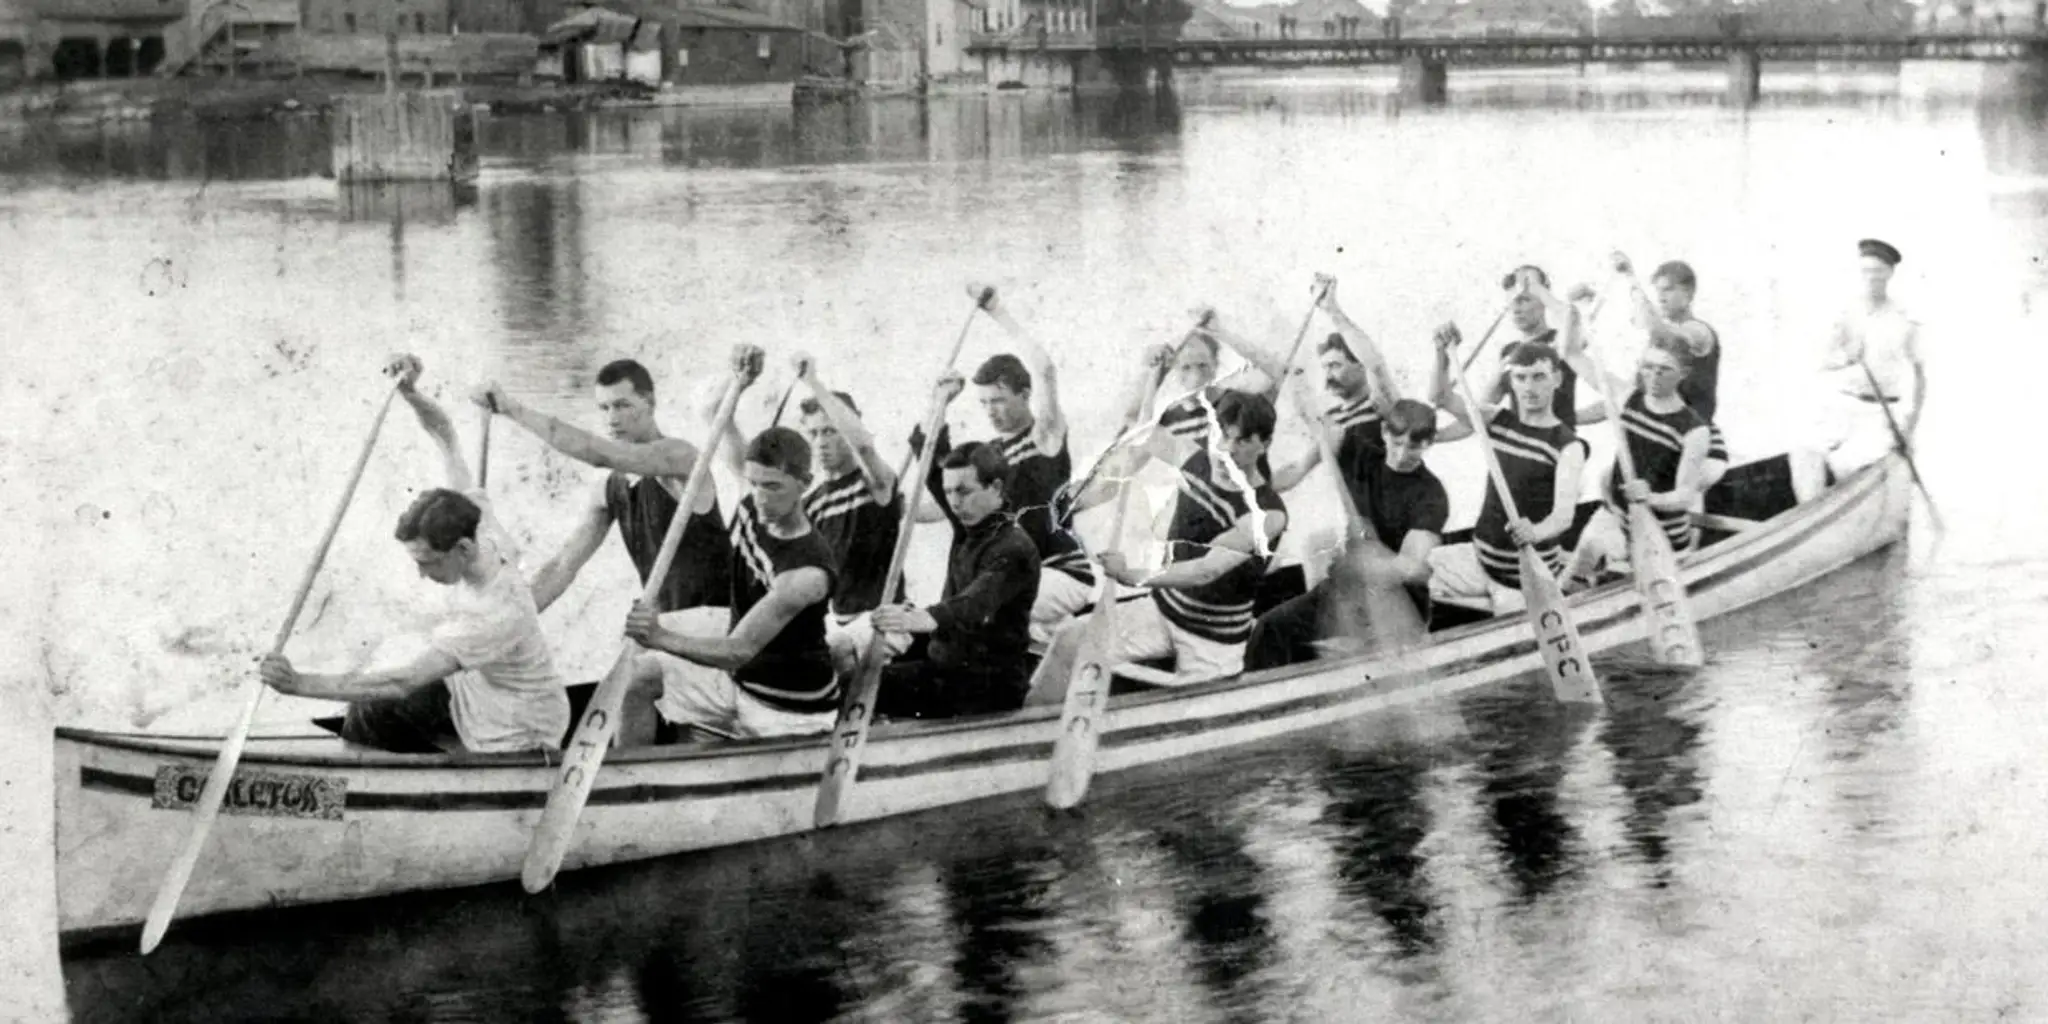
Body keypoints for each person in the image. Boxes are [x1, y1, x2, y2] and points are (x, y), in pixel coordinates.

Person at [259, 355, 569, 755]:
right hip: (480, 690)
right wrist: (410, 392)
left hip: (518, 726)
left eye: (428, 563)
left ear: (462, 549)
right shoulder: (477, 524)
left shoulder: (496, 611)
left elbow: (402, 683)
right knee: (373, 697)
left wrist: (299, 684)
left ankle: (391, 780)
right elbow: (444, 434)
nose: (422, 575)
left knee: (373, 705)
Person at [1030, 390, 1289, 696]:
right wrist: (1154, 377)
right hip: (1162, 610)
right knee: (1072, 638)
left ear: (1265, 444)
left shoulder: (1268, 515)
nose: (1227, 450)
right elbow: (1142, 433)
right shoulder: (1193, 458)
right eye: (1223, 436)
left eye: (1243, 441)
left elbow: (1205, 571)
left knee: (1195, 715)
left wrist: (1132, 574)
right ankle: (1032, 718)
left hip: (1211, 641)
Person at [620, 423, 840, 744]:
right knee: (637, 679)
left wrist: (658, 636)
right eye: (754, 483)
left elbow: (738, 651)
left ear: (805, 484)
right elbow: (728, 435)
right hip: (742, 679)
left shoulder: (805, 574)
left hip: (786, 710)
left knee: (660, 642)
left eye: (773, 487)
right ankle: (631, 772)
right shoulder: (754, 503)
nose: (761, 498)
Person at [474, 356, 733, 618]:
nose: (612, 419)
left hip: (718, 617)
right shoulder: (609, 489)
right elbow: (563, 566)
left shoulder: (681, 457)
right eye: (604, 408)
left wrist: (512, 409)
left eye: (622, 406)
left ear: (650, 403)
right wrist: (509, 619)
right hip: (666, 625)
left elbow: (600, 454)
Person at [914, 295, 1091, 645]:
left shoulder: (1044, 436)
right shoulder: (989, 454)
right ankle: (1056, 637)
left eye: (998, 400)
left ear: (1024, 395)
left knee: (978, 614)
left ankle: (1053, 634)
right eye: (983, 403)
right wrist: (939, 404)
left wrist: (996, 310)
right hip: (1016, 573)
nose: (990, 411)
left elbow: (1046, 369)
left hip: (1060, 572)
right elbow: (946, 503)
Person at [1246, 396, 1449, 671]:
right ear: (1384, 432)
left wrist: (1368, 558)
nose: (1401, 455)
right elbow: (1295, 469)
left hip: (1398, 601)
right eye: (1397, 443)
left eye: (1413, 447)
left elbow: (1407, 566)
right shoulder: (1361, 454)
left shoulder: (1431, 496)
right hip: (1348, 588)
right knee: (1269, 628)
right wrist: (1250, 490)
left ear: (1429, 443)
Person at [868, 436, 1042, 719]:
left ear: (996, 488)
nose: (954, 503)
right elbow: (935, 472)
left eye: (963, 492)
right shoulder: (971, 524)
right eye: (949, 492)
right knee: (864, 665)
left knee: (864, 685)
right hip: (950, 662)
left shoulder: (1014, 548)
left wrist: (924, 617)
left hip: (986, 685)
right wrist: (927, 433)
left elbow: (975, 603)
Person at [1430, 342, 1589, 613]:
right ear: (1511, 382)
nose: (1529, 387)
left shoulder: (1567, 446)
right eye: (1520, 378)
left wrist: (1535, 532)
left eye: (1539, 377)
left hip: (1523, 579)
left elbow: (1563, 518)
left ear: (1557, 379)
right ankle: (1489, 602)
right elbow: (1440, 397)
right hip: (1480, 561)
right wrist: (1442, 352)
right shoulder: (1497, 420)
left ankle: (1549, 590)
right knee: (1418, 572)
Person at [781, 354, 909, 679]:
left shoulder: (875, 484)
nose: (820, 443)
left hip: (888, 620)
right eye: (814, 434)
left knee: (831, 656)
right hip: (840, 624)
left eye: (830, 432)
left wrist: (813, 382)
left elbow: (864, 447)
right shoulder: (812, 504)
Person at [1561, 338, 1714, 591]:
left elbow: (1685, 496)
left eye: (1664, 369)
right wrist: (1574, 316)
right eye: (1648, 366)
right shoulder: (1628, 398)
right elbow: (1571, 353)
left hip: (1661, 536)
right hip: (1614, 519)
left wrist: (1650, 497)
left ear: (1684, 373)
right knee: (1567, 586)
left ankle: (1618, 571)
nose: (1653, 376)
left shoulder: (1694, 431)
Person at [1578, 252, 1730, 492]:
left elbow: (1662, 332)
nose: (1661, 297)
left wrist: (1630, 277)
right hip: (1667, 446)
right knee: (1609, 481)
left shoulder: (1698, 332)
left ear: (1689, 293)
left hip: (1701, 451)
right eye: (1658, 291)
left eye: (1668, 289)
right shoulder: (1657, 352)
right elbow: (1623, 400)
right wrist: (1568, 418)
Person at [1789, 238, 1926, 501]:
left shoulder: (1904, 318)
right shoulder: (1844, 313)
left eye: (1878, 271)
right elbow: (1821, 363)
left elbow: (1921, 377)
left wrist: (1910, 429)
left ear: (1890, 273)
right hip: (1842, 406)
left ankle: (1849, 512)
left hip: (1880, 412)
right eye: (1866, 271)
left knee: (1847, 465)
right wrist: (1844, 355)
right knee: (1804, 450)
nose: (1871, 277)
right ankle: (1811, 514)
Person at [1481, 266, 1590, 427]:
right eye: (1512, 302)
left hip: (1557, 439)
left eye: (1524, 300)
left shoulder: (1561, 340)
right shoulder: (1509, 351)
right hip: (1523, 440)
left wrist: (1537, 288)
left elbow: (1570, 316)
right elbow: (1483, 409)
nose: (1516, 309)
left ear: (1543, 301)